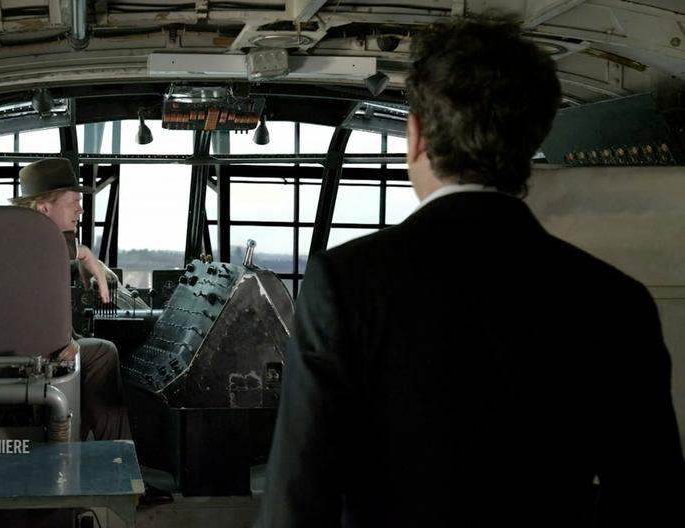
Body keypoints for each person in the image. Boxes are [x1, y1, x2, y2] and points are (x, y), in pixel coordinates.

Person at [257, 15, 684, 528]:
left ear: (416, 137)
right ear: (533, 139)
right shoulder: (618, 301)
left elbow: (298, 498)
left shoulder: (345, 283)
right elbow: (652, 501)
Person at [10, 158, 131, 441]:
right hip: (25, 356)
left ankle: (87, 445)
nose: (81, 208)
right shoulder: (29, 243)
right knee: (103, 353)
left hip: (20, 352)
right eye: (73, 201)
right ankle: (116, 460)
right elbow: (22, 309)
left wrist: (81, 259)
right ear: (44, 208)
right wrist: (85, 254)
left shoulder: (19, 238)